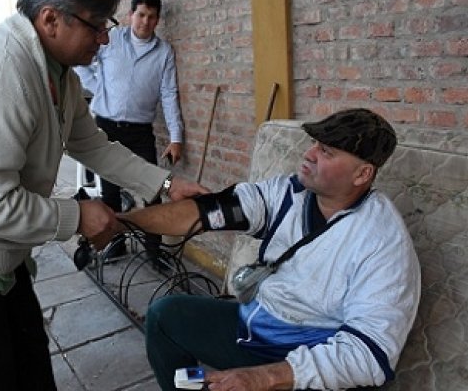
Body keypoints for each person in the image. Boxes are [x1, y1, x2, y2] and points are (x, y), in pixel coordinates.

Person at [0, 0, 207, 390]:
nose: (105, 39)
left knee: (30, 357)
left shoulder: (58, 73)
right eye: (97, 25)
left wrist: (166, 183)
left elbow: (93, 145)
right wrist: (75, 216)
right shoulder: (0, 75)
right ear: (52, 20)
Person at [113, 108, 421, 390]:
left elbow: (368, 355)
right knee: (166, 316)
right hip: (255, 329)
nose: (309, 154)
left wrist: (263, 377)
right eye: (314, 143)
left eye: (326, 151)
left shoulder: (382, 241)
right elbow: (207, 212)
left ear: (362, 174)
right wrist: (123, 223)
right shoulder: (288, 193)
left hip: (312, 357)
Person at [74, 0, 184, 258]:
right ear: (131, 15)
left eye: (151, 17)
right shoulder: (110, 40)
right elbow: (81, 64)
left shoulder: (164, 52)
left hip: (139, 130)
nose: (145, 22)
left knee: (152, 192)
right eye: (141, 15)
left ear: (157, 20)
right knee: (110, 190)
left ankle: (154, 251)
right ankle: (116, 243)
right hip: (107, 126)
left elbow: (169, 94)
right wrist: (98, 88)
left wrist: (176, 137)